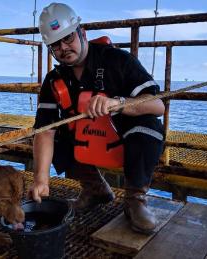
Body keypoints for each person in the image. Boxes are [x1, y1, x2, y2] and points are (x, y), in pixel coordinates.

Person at [28, 2, 165, 234]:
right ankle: (94, 189)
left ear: (82, 32)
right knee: (53, 136)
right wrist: (41, 180)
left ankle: (135, 200)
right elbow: (44, 130)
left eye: (68, 38)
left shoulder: (119, 60)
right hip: (87, 141)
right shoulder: (53, 80)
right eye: (55, 45)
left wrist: (119, 103)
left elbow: (158, 106)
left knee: (148, 128)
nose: (64, 48)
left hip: (123, 140)